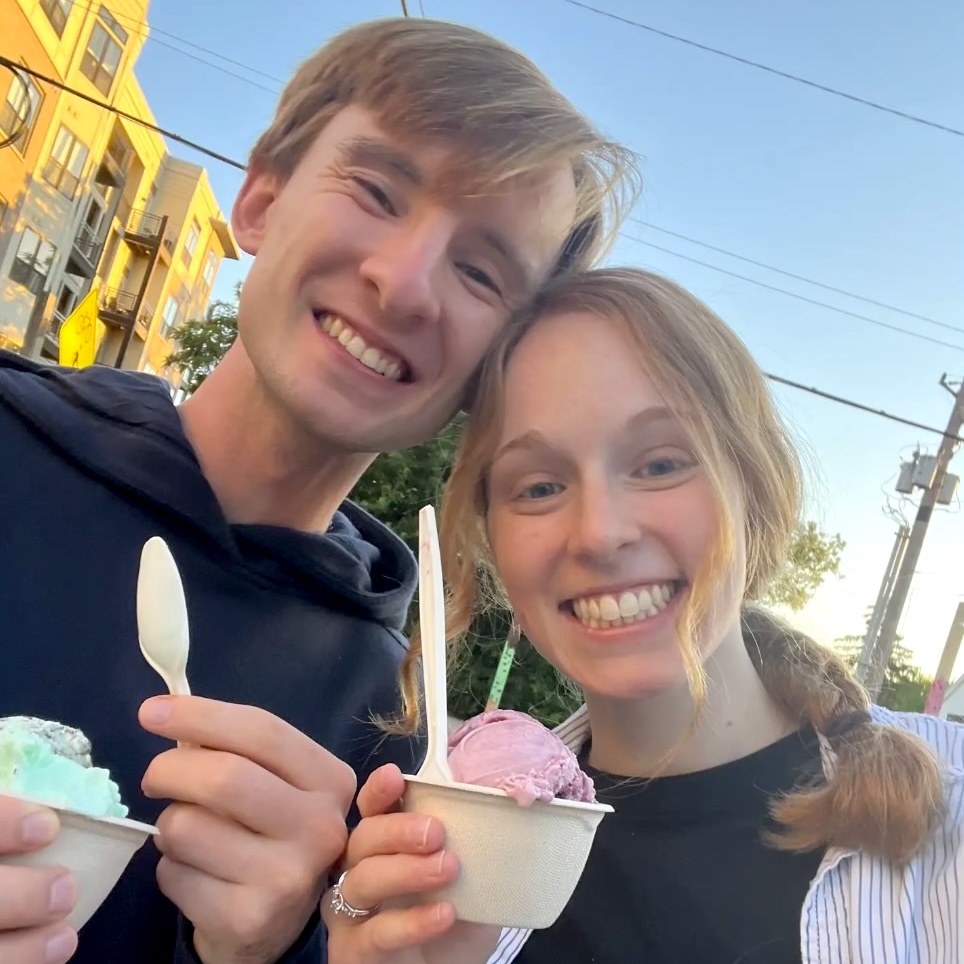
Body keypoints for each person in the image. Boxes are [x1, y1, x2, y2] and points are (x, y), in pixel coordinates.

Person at [0, 18, 638, 964]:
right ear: (258, 199)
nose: (405, 282)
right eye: (377, 192)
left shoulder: (397, 744)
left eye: (480, 270)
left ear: (490, 373)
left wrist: (275, 952)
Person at [327, 267, 964, 964]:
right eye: (539, 486)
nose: (599, 533)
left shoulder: (950, 819)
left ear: (753, 487)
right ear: (494, 544)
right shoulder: (455, 861)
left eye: (661, 465)